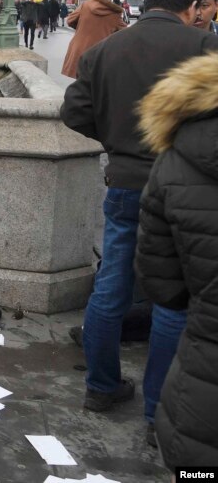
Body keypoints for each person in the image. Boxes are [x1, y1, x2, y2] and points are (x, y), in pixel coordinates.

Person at [61, 0, 218, 416]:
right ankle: (157, 410)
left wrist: (116, 139)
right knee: (173, 299)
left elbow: (73, 114)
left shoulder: (105, 51)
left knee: (110, 289)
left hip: (126, 184)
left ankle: (101, 387)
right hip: (189, 192)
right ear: (192, 8)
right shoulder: (207, 49)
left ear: (145, 2)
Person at [135, 52, 218, 468]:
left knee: (197, 469)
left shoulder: (177, 158)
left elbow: (160, 277)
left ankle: (152, 415)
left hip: (206, 356)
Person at [61, 0, 126, 78]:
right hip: (101, 53)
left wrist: (81, 27)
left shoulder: (86, 5)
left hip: (80, 49)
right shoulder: (115, 12)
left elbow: (70, 20)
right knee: (96, 83)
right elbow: (124, 31)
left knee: (80, 82)